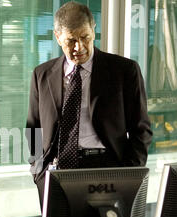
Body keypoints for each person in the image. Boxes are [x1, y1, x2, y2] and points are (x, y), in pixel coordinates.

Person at [26, 2, 152, 206]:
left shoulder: (124, 71)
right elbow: (33, 128)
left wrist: (129, 174)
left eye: (85, 37)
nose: (79, 47)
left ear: (93, 31)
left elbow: (142, 130)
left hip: (108, 170)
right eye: (70, 40)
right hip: (57, 174)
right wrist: (38, 173)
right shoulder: (42, 75)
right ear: (58, 37)